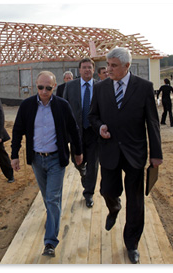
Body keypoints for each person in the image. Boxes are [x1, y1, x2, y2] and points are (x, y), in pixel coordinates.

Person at [88, 47, 163, 264]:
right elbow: (93, 116)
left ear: (127, 66)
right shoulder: (100, 88)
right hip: (109, 150)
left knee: (136, 202)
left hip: (135, 153)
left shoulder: (144, 87)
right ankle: (114, 207)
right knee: (107, 190)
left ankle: (132, 243)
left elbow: (152, 122)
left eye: (113, 66)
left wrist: (156, 154)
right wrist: (100, 126)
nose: (108, 69)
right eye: (108, 65)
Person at [10, 71, 83, 258]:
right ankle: (53, 217)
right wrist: (14, 155)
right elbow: (17, 130)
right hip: (36, 159)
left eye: (48, 88)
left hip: (55, 159)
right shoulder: (27, 106)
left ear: (55, 87)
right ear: (36, 86)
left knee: (52, 197)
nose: (44, 91)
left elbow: (73, 130)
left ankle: (50, 241)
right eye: (41, 87)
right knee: (47, 196)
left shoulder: (62, 106)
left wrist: (78, 152)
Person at [63, 58, 99, 208]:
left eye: (89, 67)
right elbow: (64, 109)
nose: (87, 70)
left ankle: (89, 193)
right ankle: (83, 173)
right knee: (77, 161)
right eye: (84, 67)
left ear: (93, 70)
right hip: (76, 133)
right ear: (79, 70)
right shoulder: (71, 86)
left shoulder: (101, 87)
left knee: (93, 165)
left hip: (94, 132)